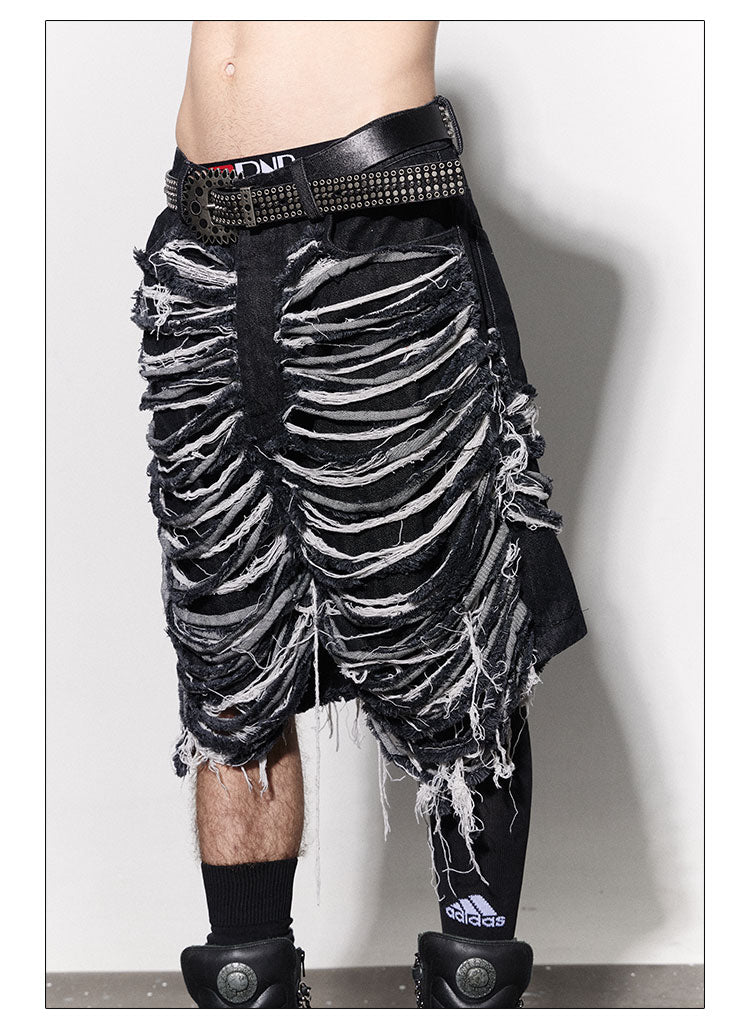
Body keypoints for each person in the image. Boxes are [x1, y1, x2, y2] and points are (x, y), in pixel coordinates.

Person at [131, 20, 587, 1009]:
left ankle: (472, 974)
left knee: (443, 632)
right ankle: (248, 983)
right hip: (201, 254)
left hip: (369, 236)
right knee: (231, 655)